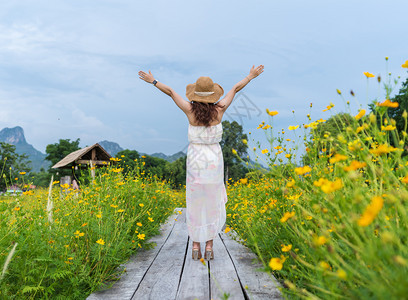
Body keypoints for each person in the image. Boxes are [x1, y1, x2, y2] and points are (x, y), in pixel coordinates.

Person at [138, 65, 264, 261]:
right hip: (214, 160)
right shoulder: (220, 110)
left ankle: (196, 246)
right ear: (213, 94)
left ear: (195, 94)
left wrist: (153, 81)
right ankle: (210, 246)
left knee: (195, 201)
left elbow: (171, 92)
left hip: (196, 161)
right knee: (212, 201)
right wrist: (250, 76)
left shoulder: (189, 110)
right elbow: (235, 89)